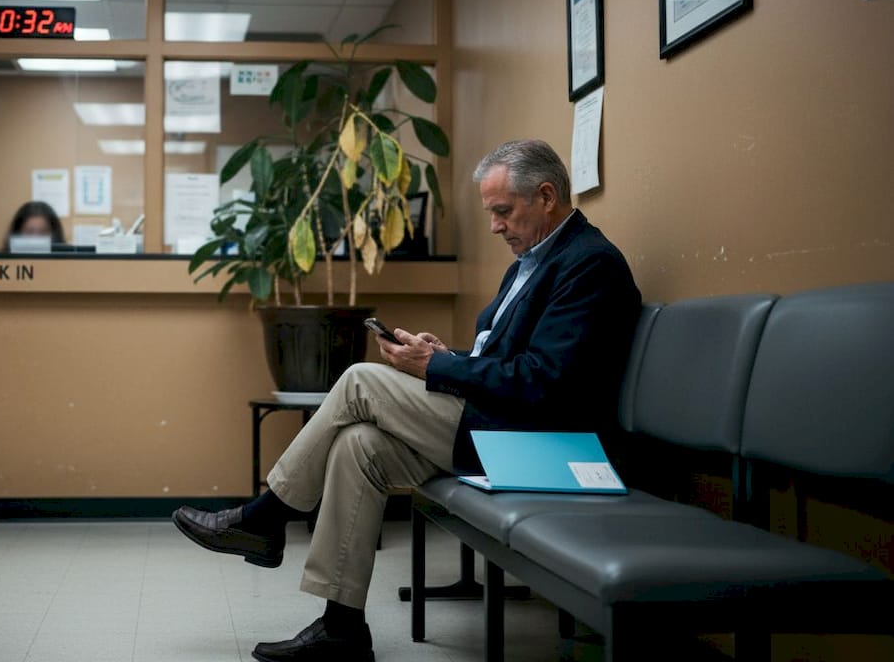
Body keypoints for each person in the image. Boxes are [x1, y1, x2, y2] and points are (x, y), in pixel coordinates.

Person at [172, 139, 642, 661]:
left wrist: (438, 367)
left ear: (547, 195)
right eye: (492, 213)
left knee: (359, 380)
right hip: (501, 426)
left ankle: (265, 517)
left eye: (503, 212)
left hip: (548, 447)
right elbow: (508, 361)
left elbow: (545, 383)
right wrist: (446, 355)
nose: (495, 227)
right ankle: (342, 627)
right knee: (358, 444)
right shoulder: (531, 262)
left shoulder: (588, 264)